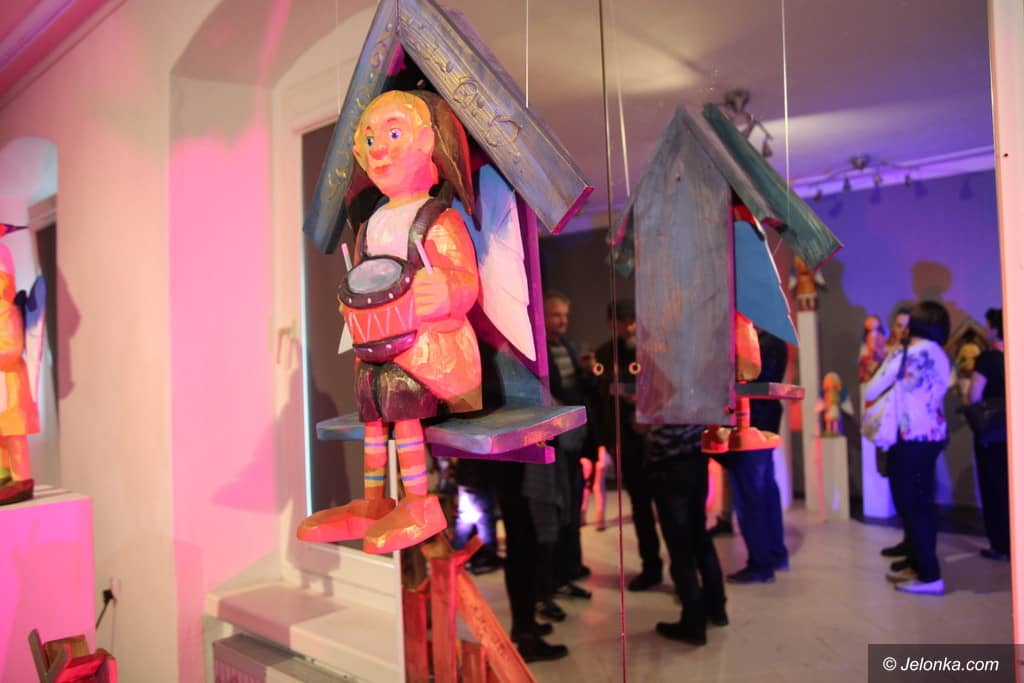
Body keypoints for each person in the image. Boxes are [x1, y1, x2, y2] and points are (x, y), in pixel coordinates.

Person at [296, 90, 481, 553]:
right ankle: (374, 502)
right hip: (378, 348)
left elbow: (464, 280)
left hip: (426, 352)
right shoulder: (371, 227)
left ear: (425, 142)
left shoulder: (438, 220)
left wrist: (446, 290)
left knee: (403, 410)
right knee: (373, 416)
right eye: (369, 139)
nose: (378, 148)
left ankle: (419, 501)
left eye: (393, 134)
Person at [864, 301, 951, 595]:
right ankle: (919, 566)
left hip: (909, 437)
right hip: (932, 435)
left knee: (911, 506)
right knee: (923, 505)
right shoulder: (940, 354)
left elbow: (872, 388)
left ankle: (929, 576)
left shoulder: (907, 353)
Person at [594, 299, 664, 591]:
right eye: (623, 321)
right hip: (628, 442)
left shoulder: (655, 349)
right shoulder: (604, 353)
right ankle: (652, 567)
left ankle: (682, 572)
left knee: (669, 510)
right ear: (613, 324)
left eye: (633, 320)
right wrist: (610, 441)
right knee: (640, 508)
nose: (630, 327)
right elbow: (601, 399)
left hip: (658, 442)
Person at [714, 329, 790, 584]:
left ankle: (761, 563)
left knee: (752, 495)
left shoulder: (757, 343)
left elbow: (744, 381)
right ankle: (774, 554)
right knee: (764, 491)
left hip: (751, 426)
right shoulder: (774, 340)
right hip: (764, 423)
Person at [643, 423, 728, 646]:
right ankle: (717, 607)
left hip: (669, 463)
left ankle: (693, 620)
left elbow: (644, 423)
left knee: (680, 545)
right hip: (697, 456)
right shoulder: (695, 396)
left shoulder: (659, 396)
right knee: (700, 535)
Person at [542, 291, 595, 600]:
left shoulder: (569, 348)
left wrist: (588, 373)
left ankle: (571, 566)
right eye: (556, 315)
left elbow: (581, 391)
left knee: (573, 504)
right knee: (560, 508)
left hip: (575, 438)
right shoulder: (541, 352)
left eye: (565, 315)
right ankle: (558, 574)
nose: (562, 321)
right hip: (557, 440)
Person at [968, 307, 1009, 561]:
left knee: (994, 486)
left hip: (992, 432)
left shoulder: (988, 359)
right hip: (1014, 431)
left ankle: (1001, 545)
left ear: (995, 329)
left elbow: (974, 395)